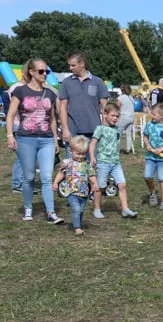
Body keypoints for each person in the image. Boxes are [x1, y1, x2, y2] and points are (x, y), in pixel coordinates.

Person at [6, 58, 64, 223]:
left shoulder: (51, 93)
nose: (45, 74)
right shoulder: (20, 91)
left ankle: (51, 212)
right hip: (26, 139)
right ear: (31, 72)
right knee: (29, 177)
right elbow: (10, 115)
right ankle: (28, 207)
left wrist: (55, 140)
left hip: (46, 139)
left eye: (47, 71)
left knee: (46, 177)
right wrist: (10, 135)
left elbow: (52, 119)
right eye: (41, 71)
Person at [89, 103, 138, 219]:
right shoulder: (100, 129)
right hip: (103, 162)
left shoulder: (116, 129)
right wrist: (92, 157)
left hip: (115, 163)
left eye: (117, 116)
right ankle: (97, 208)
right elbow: (92, 144)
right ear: (105, 114)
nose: (115, 118)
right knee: (100, 187)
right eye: (113, 115)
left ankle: (125, 209)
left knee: (122, 184)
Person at [58, 51, 109, 158]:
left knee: (92, 165)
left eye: (73, 65)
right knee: (73, 166)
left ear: (82, 64)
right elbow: (62, 108)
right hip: (73, 132)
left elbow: (105, 108)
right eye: (69, 65)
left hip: (94, 131)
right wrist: (65, 129)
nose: (70, 68)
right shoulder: (66, 83)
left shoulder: (98, 82)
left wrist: (105, 129)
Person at [52, 135, 96, 234]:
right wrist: (55, 182)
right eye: (78, 154)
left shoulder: (87, 164)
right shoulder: (67, 163)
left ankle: (78, 223)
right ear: (71, 151)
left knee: (80, 210)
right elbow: (61, 173)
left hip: (84, 191)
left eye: (83, 154)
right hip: (71, 191)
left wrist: (95, 183)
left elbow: (92, 175)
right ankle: (77, 228)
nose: (80, 156)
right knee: (76, 208)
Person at [117, 84, 136, 154]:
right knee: (129, 134)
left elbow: (117, 108)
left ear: (122, 90)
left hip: (123, 117)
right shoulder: (131, 98)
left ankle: (116, 149)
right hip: (131, 117)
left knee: (118, 134)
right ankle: (129, 148)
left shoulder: (120, 98)